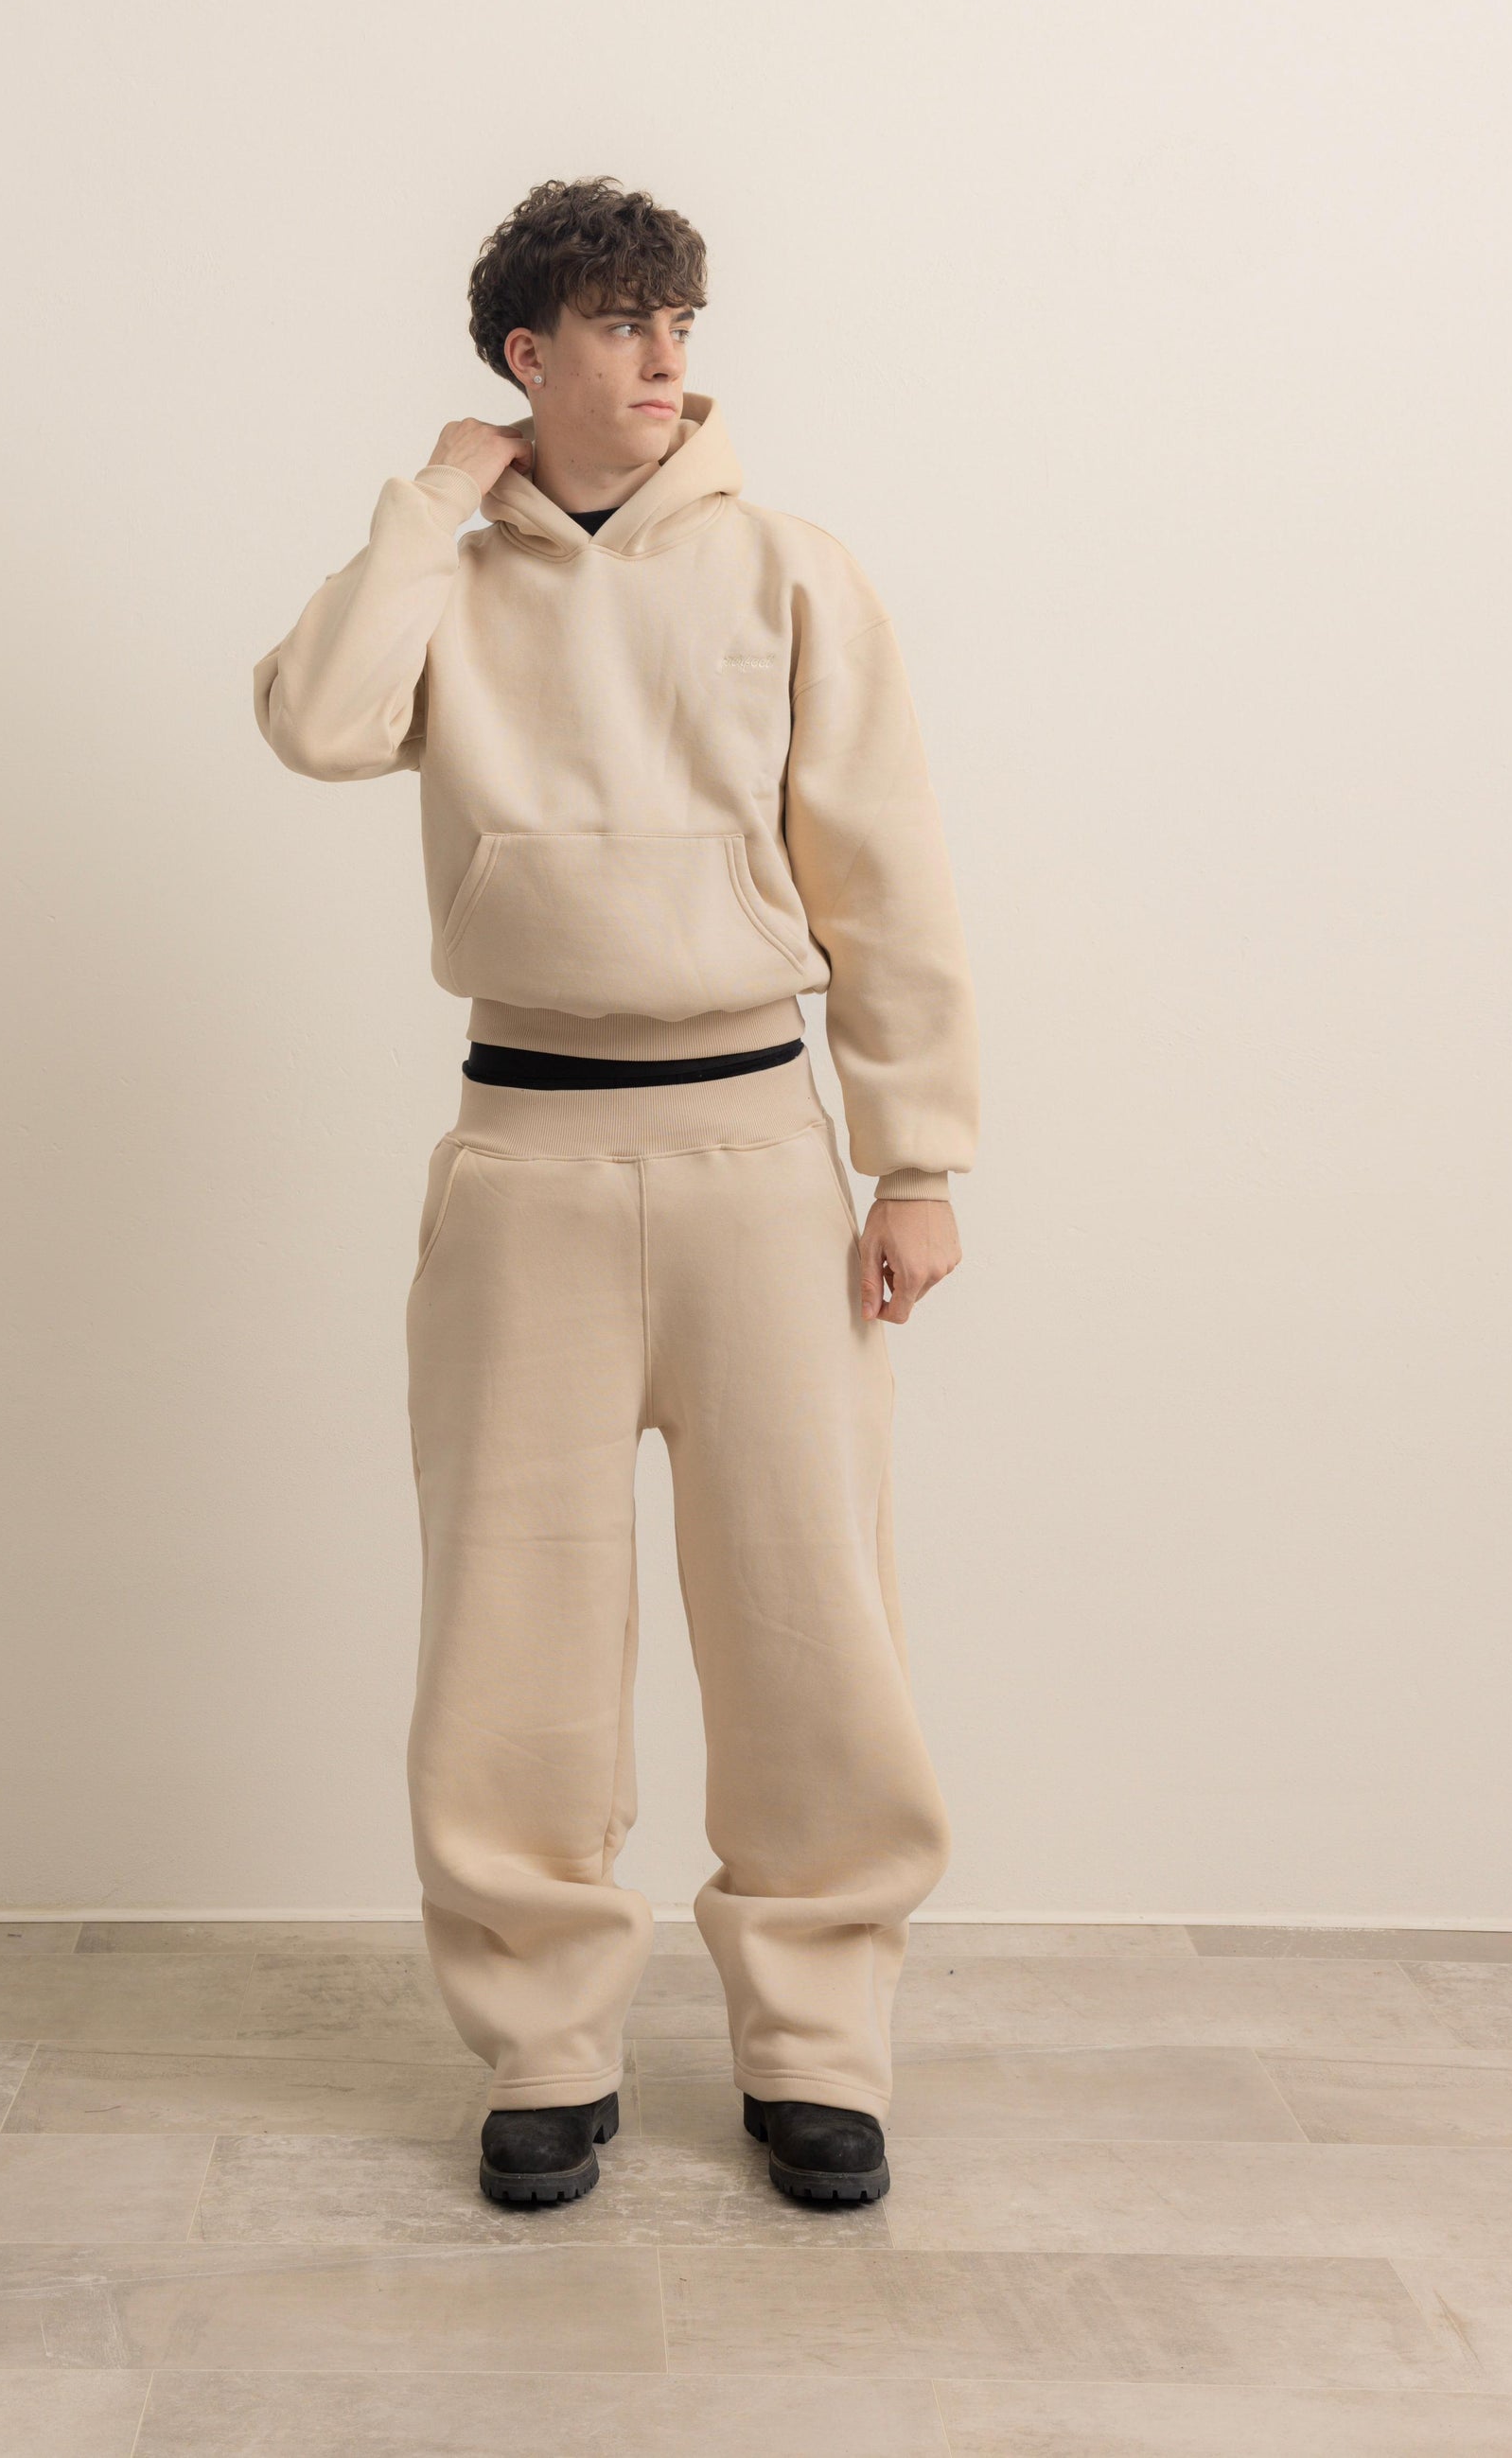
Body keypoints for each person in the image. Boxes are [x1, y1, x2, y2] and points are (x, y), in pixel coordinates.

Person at [252, 176, 979, 2210]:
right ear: (527, 355)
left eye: (679, 322)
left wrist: (915, 1154)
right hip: (525, 1154)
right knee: (515, 1617)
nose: (667, 359)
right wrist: (430, 501)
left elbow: (885, 873)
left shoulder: (788, 570)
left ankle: (815, 2040)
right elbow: (314, 724)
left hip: (757, 1149)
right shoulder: (447, 574)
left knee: (808, 1609)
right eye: (621, 324)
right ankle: (545, 2045)